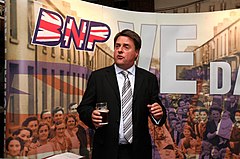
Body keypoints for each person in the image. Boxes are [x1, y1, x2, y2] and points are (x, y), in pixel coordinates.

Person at [77, 29, 166, 159]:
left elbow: (157, 110)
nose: (120, 50)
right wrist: (91, 115)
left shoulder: (148, 79)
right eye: (117, 46)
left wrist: (158, 114)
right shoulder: (99, 77)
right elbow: (83, 108)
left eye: (126, 47)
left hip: (138, 152)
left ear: (136, 53)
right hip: (106, 151)